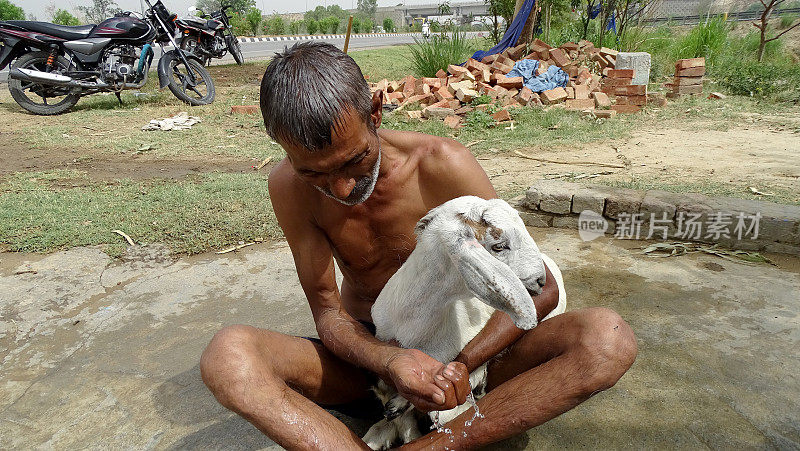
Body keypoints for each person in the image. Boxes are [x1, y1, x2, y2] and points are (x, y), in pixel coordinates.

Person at [200, 42, 637, 450]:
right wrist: (391, 362)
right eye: (314, 173)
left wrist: (463, 365)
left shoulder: (442, 165)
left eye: (354, 160)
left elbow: (538, 289)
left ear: (375, 110)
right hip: (373, 358)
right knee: (228, 357)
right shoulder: (288, 187)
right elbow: (329, 313)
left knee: (606, 339)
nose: (342, 187)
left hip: (469, 355)